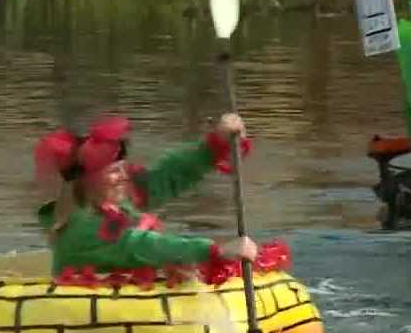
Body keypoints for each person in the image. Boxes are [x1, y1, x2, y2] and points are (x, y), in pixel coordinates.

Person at [33, 113, 289, 286]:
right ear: (86, 181)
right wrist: (213, 251)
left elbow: (167, 176)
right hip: (88, 310)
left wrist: (214, 145)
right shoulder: (83, 222)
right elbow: (140, 244)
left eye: (123, 166)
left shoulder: (114, 200)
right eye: (113, 171)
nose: (124, 175)